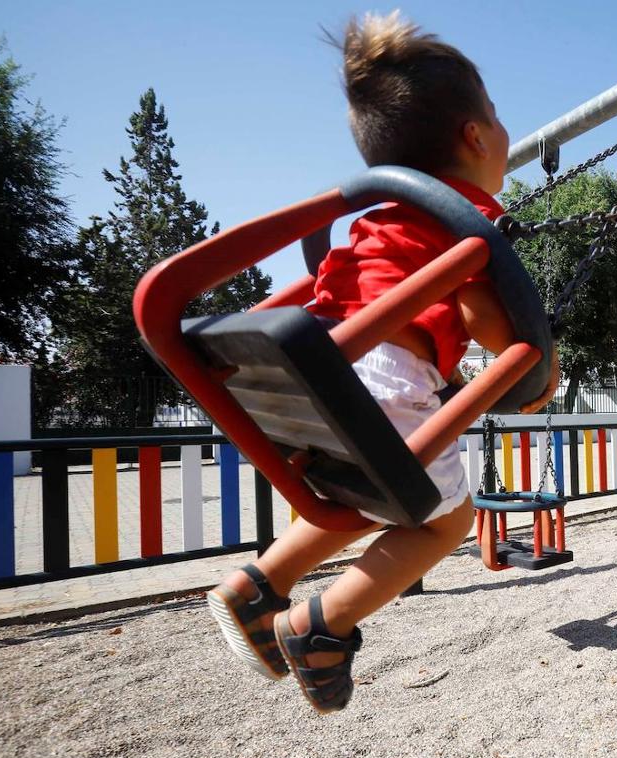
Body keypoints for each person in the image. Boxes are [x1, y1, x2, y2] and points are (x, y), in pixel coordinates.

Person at [204, 12, 560, 713]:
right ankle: (318, 625)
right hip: (386, 375)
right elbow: (493, 328)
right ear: (476, 135)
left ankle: (254, 587)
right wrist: (535, 370)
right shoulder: (462, 219)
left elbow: (407, 305)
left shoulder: (381, 217)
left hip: (324, 371)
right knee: (438, 520)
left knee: (366, 490)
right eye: (497, 114)